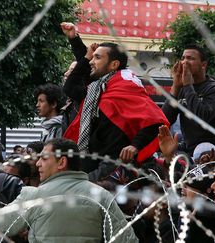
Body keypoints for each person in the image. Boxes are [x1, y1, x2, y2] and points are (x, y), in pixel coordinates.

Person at [63, 34, 169, 181]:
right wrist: (75, 40)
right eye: (91, 58)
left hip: (113, 166)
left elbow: (155, 121)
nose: (91, 62)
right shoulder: (97, 88)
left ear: (114, 65)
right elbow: (70, 87)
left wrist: (134, 146)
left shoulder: (126, 86)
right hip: (89, 160)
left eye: (97, 58)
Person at [0, 138, 138, 242]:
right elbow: (127, 239)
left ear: (61, 162)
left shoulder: (34, 195)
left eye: (44, 158)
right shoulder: (101, 195)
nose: (37, 163)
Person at [162, 45, 215, 154]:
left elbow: (201, 118)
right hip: (190, 150)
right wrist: (176, 87)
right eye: (183, 58)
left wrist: (187, 85)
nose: (184, 62)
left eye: (190, 58)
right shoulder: (182, 88)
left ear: (203, 65)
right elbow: (165, 120)